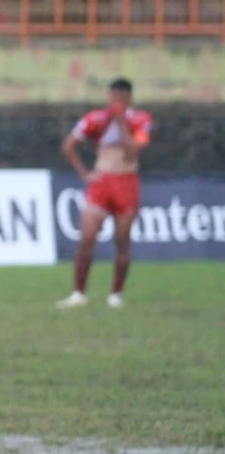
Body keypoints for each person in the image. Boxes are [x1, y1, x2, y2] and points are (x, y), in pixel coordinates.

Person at [56, 78, 153, 310]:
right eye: (112, 98)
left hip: (127, 183)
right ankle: (79, 293)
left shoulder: (141, 120)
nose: (115, 102)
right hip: (101, 183)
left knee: (122, 241)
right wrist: (84, 174)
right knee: (86, 238)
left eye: (120, 98)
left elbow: (132, 153)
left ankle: (116, 294)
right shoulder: (95, 118)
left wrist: (121, 122)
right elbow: (69, 145)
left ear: (129, 98)